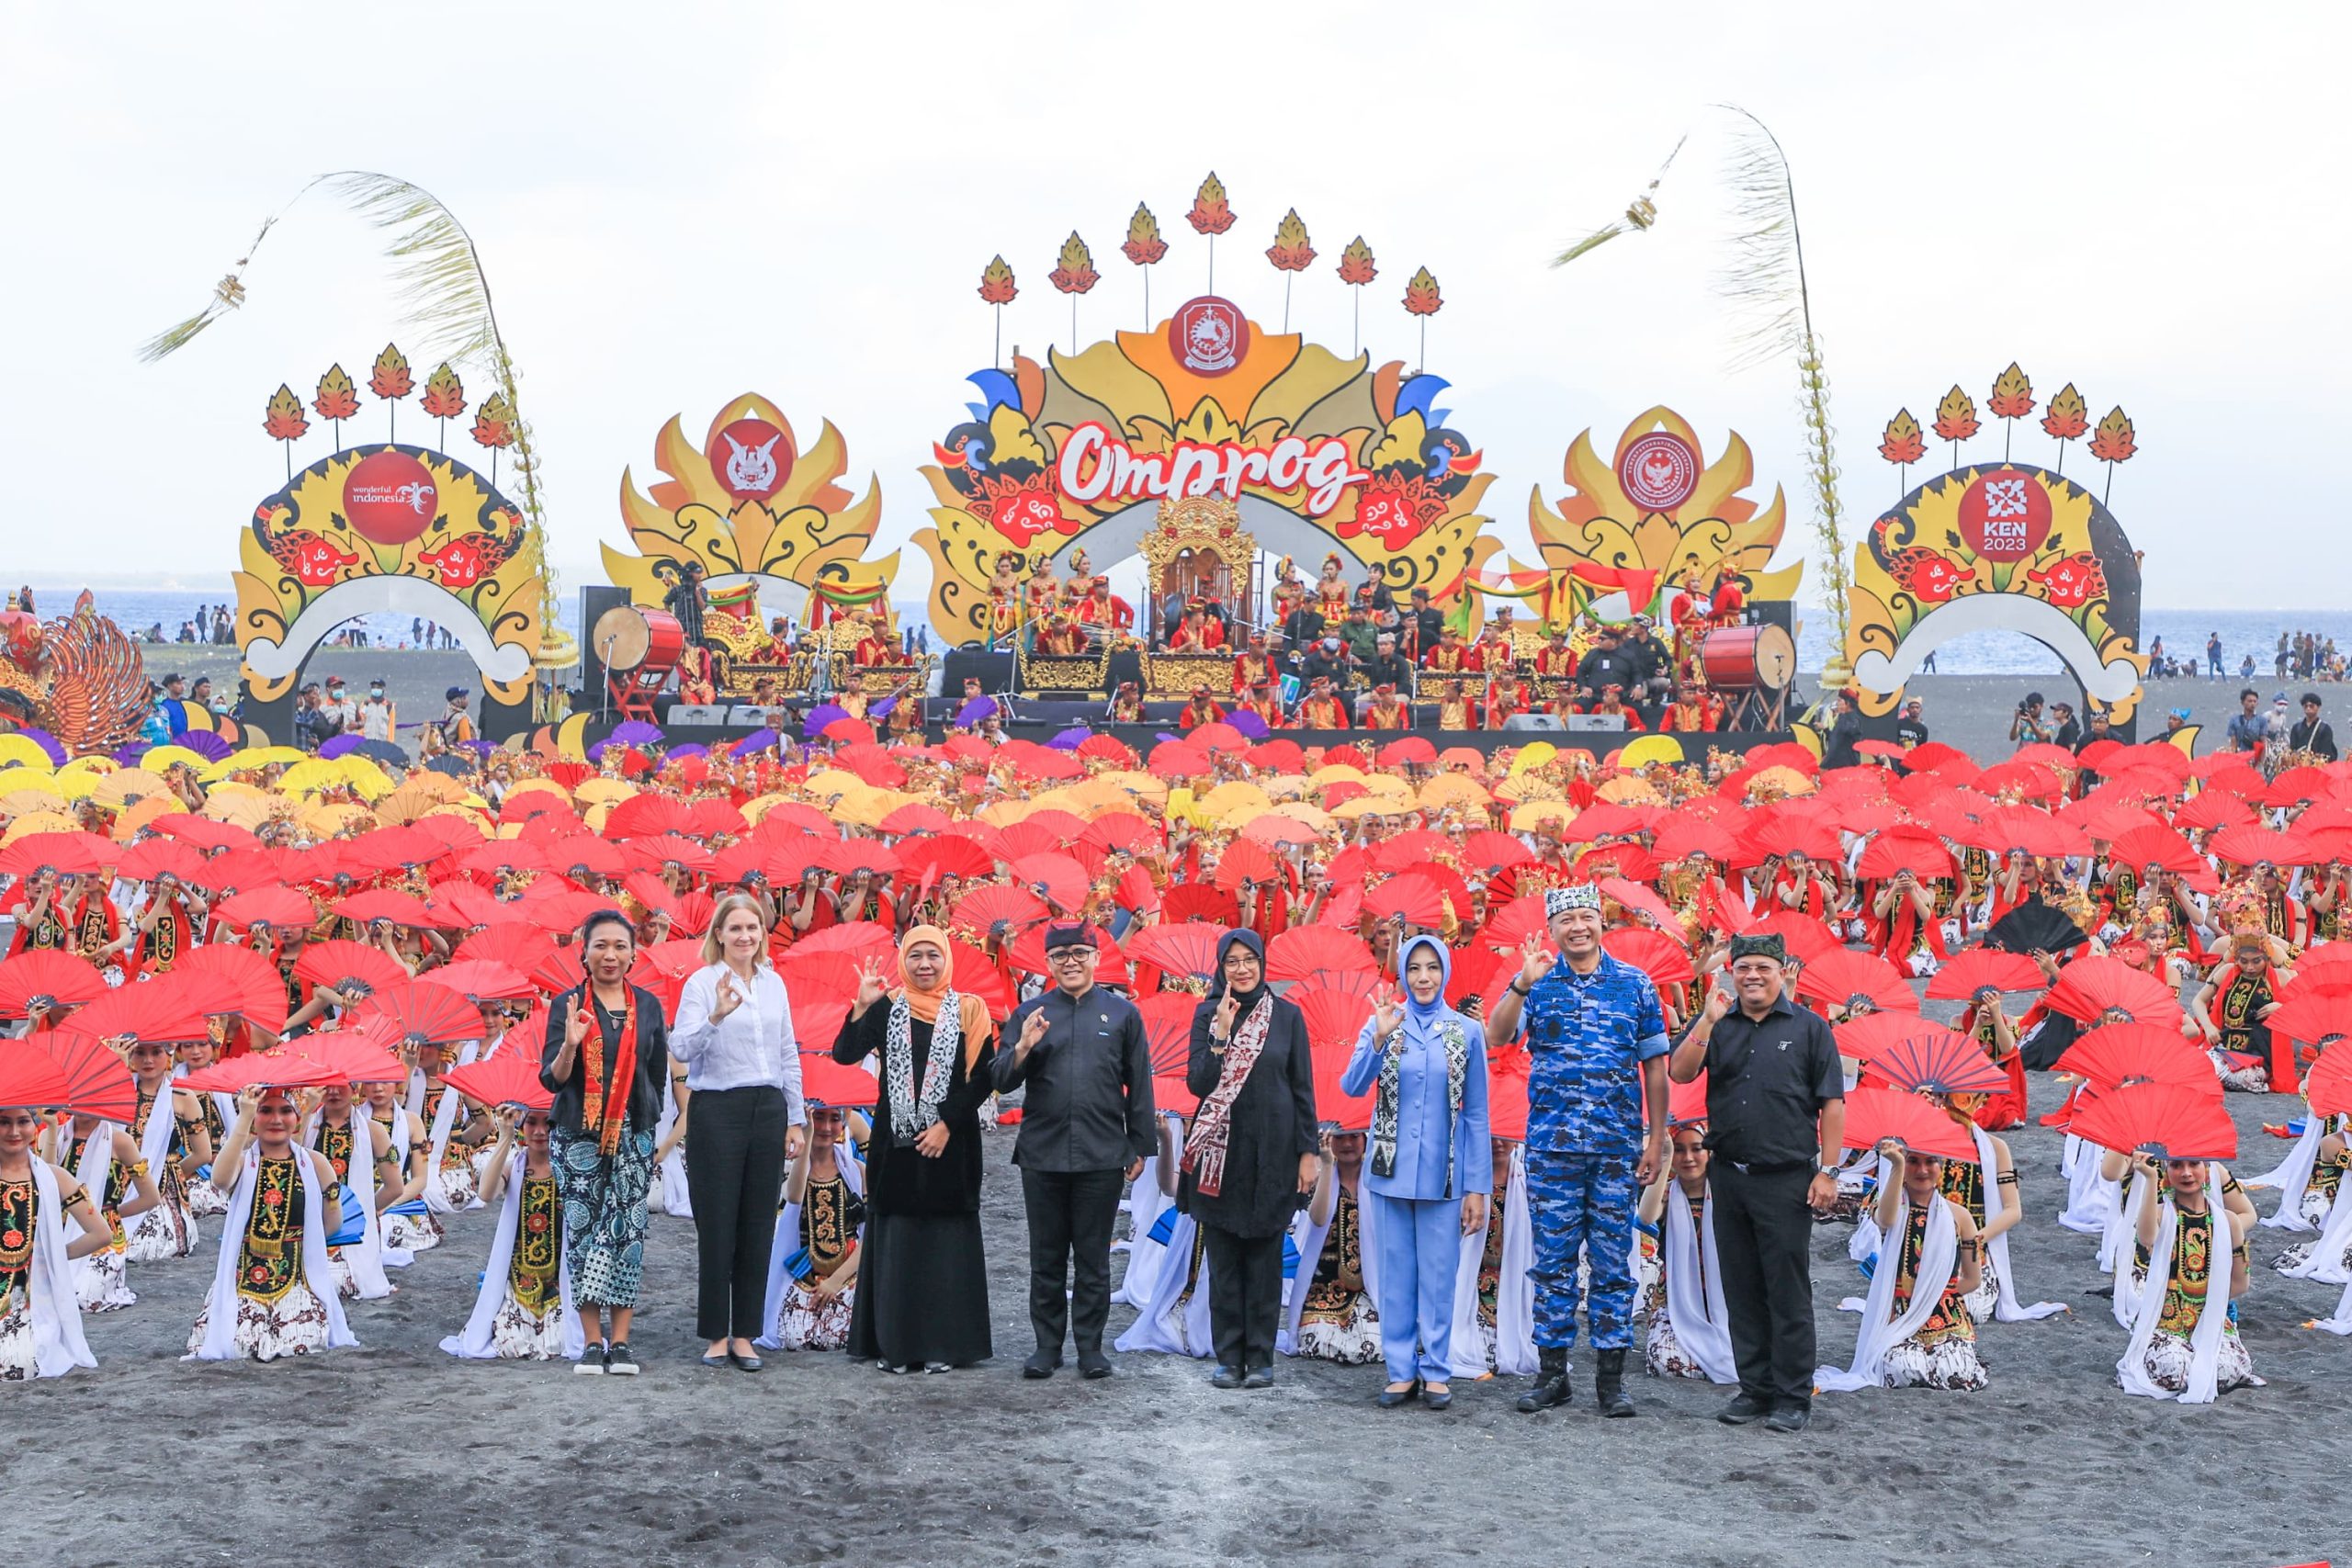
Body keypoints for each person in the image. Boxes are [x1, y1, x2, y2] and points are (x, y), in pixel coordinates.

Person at [1482, 884, 1668, 1417]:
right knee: (1553, 1265)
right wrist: (1521, 981)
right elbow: (1497, 1037)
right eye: (1567, 920)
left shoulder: (1635, 985)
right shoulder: (1536, 984)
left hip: (1615, 1149)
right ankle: (1553, 1375)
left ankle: (1611, 1382)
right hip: (1552, 1150)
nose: (1578, 927)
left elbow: (1654, 1067)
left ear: (1601, 922)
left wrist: (1656, 1138)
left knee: (1613, 1265)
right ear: (1553, 929)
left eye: (1587, 917)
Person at [1668, 932, 1846, 1431]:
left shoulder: (1810, 1028)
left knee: (1786, 1290)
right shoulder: (1719, 1026)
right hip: (1729, 1174)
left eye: (1762, 968)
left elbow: (1832, 1103)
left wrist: (1828, 1171)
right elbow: (1681, 1073)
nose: (1751, 976)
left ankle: (1792, 1395)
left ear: (1779, 970)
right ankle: (1754, 1388)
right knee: (1740, 1287)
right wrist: (1704, 1018)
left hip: (1787, 1177)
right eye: (1742, 967)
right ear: (1731, 972)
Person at [994, 923, 1156, 1380]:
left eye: (1080, 952)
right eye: (1061, 954)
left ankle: (1090, 1347)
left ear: (1096, 957)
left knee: (1092, 1257)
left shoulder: (1122, 1014)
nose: (1070, 961)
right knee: (1045, 1256)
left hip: (1103, 1153)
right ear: (1048, 963)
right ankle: (1047, 1346)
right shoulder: (1031, 1012)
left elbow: (1139, 1082)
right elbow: (1001, 1079)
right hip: (1043, 1153)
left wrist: (1140, 1143)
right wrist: (1024, 1044)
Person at [833, 926, 997, 1373]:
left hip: (952, 1143)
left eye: (933, 956)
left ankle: (944, 1345)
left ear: (947, 959)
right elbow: (845, 1054)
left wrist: (945, 1124)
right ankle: (896, 1346)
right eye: (915, 956)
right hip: (895, 1144)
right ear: (903, 961)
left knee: (944, 1247)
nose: (924, 965)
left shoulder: (969, 1009)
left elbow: (983, 1078)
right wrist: (862, 1003)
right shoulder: (887, 1007)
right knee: (899, 1244)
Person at [1341, 934, 1491, 1408]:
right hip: (1388, 1172)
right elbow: (1351, 1086)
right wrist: (1378, 1038)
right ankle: (1400, 1369)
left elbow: (1477, 1114)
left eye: (1432, 968)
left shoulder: (1465, 1031)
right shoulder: (1386, 1022)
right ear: (1402, 974)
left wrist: (1476, 1187)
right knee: (1396, 1274)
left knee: (1439, 1275)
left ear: (1445, 972)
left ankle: (1437, 1371)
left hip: (1445, 1176)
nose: (1423, 978)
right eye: (1414, 969)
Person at [670, 893, 809, 1371]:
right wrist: (717, 1015)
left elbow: (787, 1051)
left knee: (756, 1224)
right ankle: (715, 1332)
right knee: (717, 1223)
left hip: (767, 1108)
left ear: (762, 935)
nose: (745, 936)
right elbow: (682, 1047)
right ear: (719, 935)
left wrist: (795, 1117)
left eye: (753, 928)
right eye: (735, 929)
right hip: (717, 1109)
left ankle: (746, 1333)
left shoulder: (775, 984)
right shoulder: (701, 983)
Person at [539, 909, 673, 1376]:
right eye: (601, 945)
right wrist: (572, 1043)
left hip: (634, 1136)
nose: (610, 954)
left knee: (628, 1233)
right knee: (584, 1233)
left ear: (634, 954)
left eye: (620, 945)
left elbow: (656, 1078)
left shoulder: (650, 1007)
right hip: (578, 1136)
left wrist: (646, 1131)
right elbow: (553, 1082)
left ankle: (621, 1342)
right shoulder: (567, 1005)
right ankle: (592, 1343)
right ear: (585, 952)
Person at [1183, 929, 1318, 1390]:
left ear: (1262, 962)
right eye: (1232, 962)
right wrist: (1220, 1035)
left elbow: (1302, 1089)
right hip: (1221, 1156)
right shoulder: (1208, 1014)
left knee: (1263, 1260)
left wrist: (1308, 1153)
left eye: (1249, 960)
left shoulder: (1286, 1017)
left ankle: (1261, 1357)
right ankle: (1229, 1356)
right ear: (1221, 968)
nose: (1242, 969)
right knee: (1223, 1261)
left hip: (1274, 1154)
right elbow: (1199, 1085)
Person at [187, 1085, 359, 1362]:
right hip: (244, 1282)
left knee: (301, 1342)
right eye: (266, 1111)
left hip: (297, 1280)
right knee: (238, 1346)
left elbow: (331, 1225)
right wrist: (243, 1117)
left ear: (297, 1118)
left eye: (285, 1111)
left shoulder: (316, 1163)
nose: (276, 1119)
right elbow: (219, 1180)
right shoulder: (243, 1163)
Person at [1817, 1140, 1986, 1393]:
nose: (1922, 1170)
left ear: (1941, 1167)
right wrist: (1895, 1165)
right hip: (1899, 1313)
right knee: (1902, 1367)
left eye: (1930, 1162)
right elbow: (1886, 1219)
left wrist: (1934, 1297)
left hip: (1946, 1316)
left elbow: (1973, 1279)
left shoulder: (1960, 1216)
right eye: (1913, 1162)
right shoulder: (1891, 1205)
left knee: (1956, 1372)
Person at [441, 1104, 585, 1361]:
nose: (541, 1131)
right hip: (520, 1282)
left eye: (549, 1124)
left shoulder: (571, 1170)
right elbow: (486, 1194)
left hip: (558, 1284)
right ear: (522, 1127)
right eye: (532, 1123)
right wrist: (505, 1136)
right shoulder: (514, 1168)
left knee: (562, 1342)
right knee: (510, 1343)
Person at [2118, 1153, 2256, 1400]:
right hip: (2166, 1321)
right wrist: (2150, 1179)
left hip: (2211, 1318)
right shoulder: (2161, 1214)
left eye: (2194, 1164)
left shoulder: (2229, 1221)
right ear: (2166, 1171)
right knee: (2174, 1370)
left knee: (2225, 1370)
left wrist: (2208, 1302)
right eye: (2176, 1165)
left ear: (2207, 1169)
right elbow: (2147, 1237)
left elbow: (2240, 1284)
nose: (2186, 1172)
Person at [0, 1103, 107, 1381]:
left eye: (22, 1121)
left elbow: (101, 1233)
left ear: (33, 1125)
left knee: (18, 1362)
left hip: (30, 1304)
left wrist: (53, 1255)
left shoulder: (54, 1178)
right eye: (3, 1122)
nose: (14, 1131)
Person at [759, 1102, 864, 1352]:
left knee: (838, 1338)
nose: (826, 1127)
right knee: (793, 1339)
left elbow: (870, 1235)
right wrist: (805, 1134)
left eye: (834, 1119)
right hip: (804, 1277)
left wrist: (835, 1282)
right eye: (819, 1118)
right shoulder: (793, 1171)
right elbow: (794, 1196)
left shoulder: (857, 1172)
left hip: (847, 1277)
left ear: (844, 1121)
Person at [1636, 1117, 1735, 1382]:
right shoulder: (1667, 1194)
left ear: (1709, 1152)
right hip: (1675, 1304)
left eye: (1696, 1148)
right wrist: (1664, 1154)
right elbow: (1646, 1217)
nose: (1688, 1158)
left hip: (1728, 1301)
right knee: (1667, 1362)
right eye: (1680, 1149)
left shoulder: (1730, 1194)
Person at [2291, 693, 2338, 761]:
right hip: (2299, 766)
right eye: (2306, 706)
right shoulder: (2296, 728)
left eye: (2311, 706)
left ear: (2318, 707)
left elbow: (2326, 753)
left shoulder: (2325, 729)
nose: (2308, 708)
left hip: (2318, 766)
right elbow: (2293, 750)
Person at [2225, 687, 2267, 753]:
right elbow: (2233, 744)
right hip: (2240, 756)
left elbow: (2263, 743)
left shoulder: (2262, 720)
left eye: (2255, 701)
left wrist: (2261, 761)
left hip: (2255, 756)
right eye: (2250, 701)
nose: (2252, 703)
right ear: (2242, 702)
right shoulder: (2234, 720)